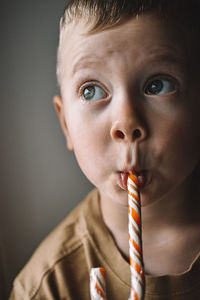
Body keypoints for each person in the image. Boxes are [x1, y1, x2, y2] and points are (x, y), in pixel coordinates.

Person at [10, 0, 200, 299]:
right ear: (66, 125)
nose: (126, 122)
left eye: (158, 85)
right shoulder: (46, 286)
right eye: (92, 91)